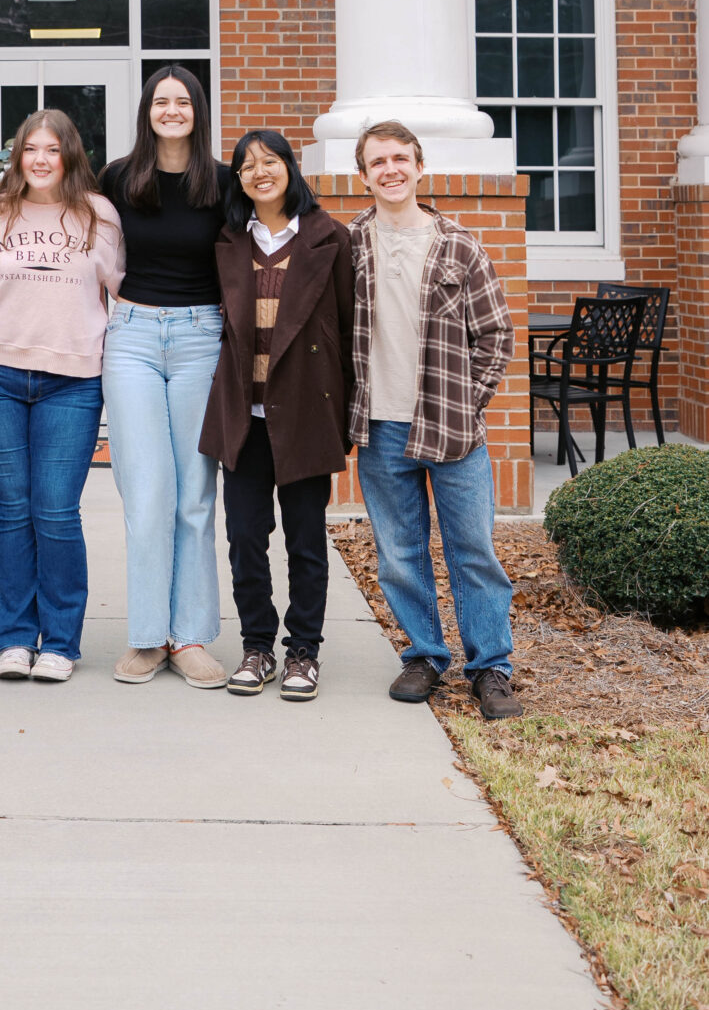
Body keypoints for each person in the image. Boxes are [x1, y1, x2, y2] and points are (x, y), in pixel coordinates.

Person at [349, 120, 522, 721]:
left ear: (420, 166)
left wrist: (466, 404)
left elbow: (497, 335)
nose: (391, 170)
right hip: (380, 427)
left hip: (453, 430)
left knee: (472, 550)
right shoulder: (349, 247)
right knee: (399, 553)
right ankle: (424, 655)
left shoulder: (459, 244)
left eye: (401, 158)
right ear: (363, 175)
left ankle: (491, 668)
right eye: (378, 162)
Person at [0, 110, 123, 682]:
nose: (41, 159)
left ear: (70, 155)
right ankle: (16, 640)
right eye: (31, 149)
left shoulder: (98, 215)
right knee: (12, 512)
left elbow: (127, 294)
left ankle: (62, 642)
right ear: (17, 156)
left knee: (56, 513)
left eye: (53, 149)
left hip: (72, 381)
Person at [199, 130, 353, 702]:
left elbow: (347, 333)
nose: (259, 171)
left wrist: (346, 417)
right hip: (245, 414)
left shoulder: (329, 239)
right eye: (246, 166)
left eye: (270, 161)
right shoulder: (229, 242)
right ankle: (258, 646)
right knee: (244, 537)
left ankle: (304, 652)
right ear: (237, 180)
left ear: (290, 167)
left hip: (306, 413)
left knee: (306, 540)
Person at [99, 66, 228, 689]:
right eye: (161, 101)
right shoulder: (118, 178)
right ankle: (149, 636)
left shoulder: (223, 183)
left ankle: (192, 635)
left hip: (202, 338)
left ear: (198, 111)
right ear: (147, 110)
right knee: (147, 490)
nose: (171, 109)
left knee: (195, 493)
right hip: (131, 337)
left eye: (183, 101)